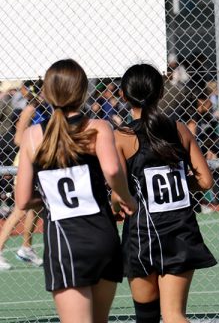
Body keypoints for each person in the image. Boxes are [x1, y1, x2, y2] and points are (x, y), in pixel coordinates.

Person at [14, 59, 136, 322]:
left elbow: (22, 199)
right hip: (103, 237)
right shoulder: (98, 127)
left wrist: (48, 197)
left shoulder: (33, 136)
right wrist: (126, 199)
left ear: (46, 93)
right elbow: (113, 172)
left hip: (66, 243)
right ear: (82, 92)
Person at [115, 63, 217, 323]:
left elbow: (117, 190)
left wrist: (117, 203)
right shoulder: (179, 129)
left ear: (124, 96)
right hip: (180, 231)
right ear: (160, 93)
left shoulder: (122, 137)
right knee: (174, 315)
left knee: (146, 317)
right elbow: (205, 181)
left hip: (142, 235)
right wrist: (182, 183)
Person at [0, 81, 48, 270]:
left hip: (41, 161)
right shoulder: (30, 109)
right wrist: (39, 142)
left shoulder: (50, 110)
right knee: (21, 206)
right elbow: (19, 139)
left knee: (35, 206)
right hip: (26, 160)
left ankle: (26, 247)